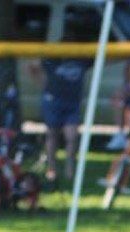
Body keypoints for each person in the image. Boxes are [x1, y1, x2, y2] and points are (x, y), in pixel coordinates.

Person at [29, 35, 91, 186]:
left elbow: (108, 58)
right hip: (54, 101)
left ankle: (70, 169)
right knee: (52, 135)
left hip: (72, 102)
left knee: (72, 135)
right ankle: (52, 168)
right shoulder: (53, 59)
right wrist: (43, 85)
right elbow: (33, 66)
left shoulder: (81, 59)